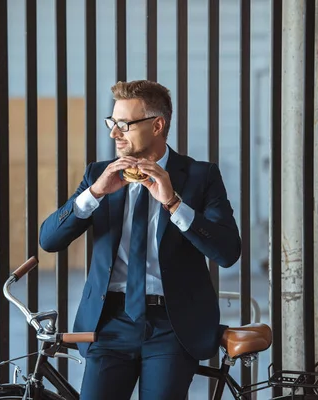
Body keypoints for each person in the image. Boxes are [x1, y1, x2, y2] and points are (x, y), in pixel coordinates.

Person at [39, 80, 241, 400]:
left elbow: (228, 252)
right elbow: (48, 240)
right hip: (109, 323)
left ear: (157, 125)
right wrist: (93, 194)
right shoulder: (99, 174)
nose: (114, 134)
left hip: (172, 326)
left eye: (124, 125)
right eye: (112, 123)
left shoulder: (201, 176)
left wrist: (174, 203)